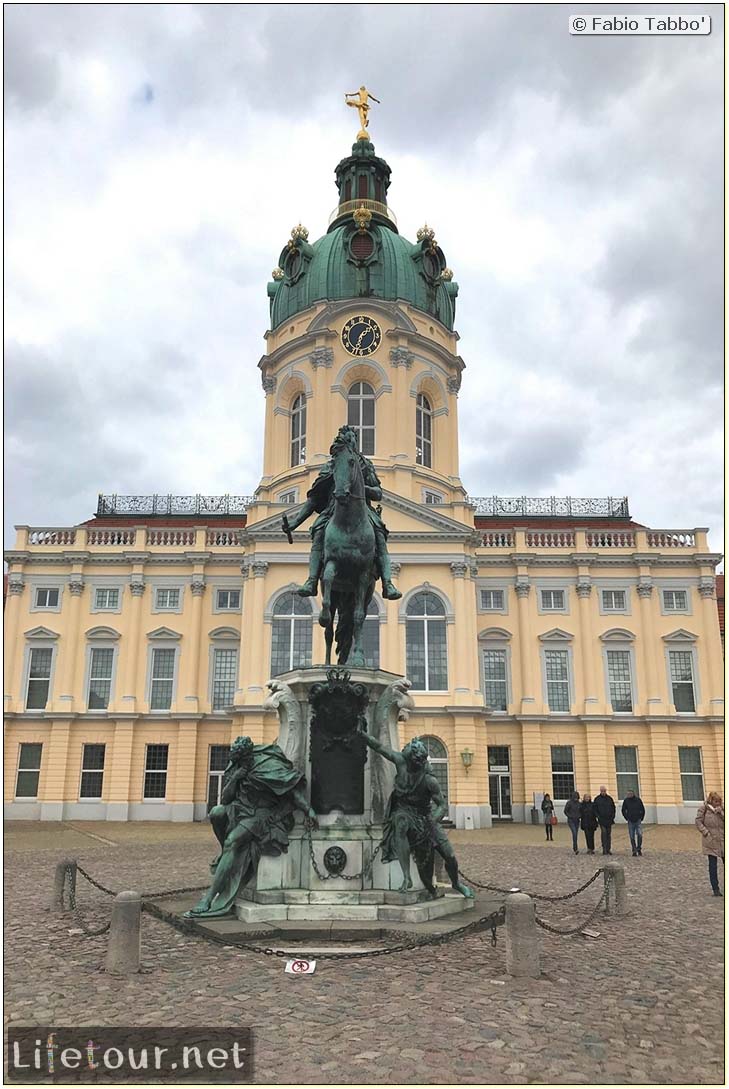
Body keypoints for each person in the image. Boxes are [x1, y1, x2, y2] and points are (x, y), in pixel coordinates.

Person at [186, 736, 317, 918]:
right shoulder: (237, 766)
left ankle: (209, 897)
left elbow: (292, 790)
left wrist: (308, 810)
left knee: (233, 840)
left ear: (247, 755)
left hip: (260, 813)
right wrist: (236, 778)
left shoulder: (267, 765)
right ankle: (226, 856)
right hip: (240, 808)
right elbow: (225, 799)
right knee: (216, 812)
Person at [282, 425, 401, 600]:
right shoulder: (331, 466)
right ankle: (312, 580)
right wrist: (294, 523)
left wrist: (360, 488)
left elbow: (378, 493)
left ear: (355, 441)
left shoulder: (365, 465)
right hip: (333, 509)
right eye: (345, 438)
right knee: (318, 530)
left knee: (379, 533)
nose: (349, 441)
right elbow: (314, 499)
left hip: (363, 510)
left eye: (351, 438)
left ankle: (387, 583)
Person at [358, 727, 473, 898]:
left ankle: (456, 883)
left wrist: (432, 822)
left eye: (406, 750)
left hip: (426, 816)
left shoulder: (429, 780)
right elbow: (379, 747)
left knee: (448, 854)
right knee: (400, 823)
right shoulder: (400, 761)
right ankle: (406, 877)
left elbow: (442, 805)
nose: (402, 750)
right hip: (404, 811)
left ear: (414, 760)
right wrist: (361, 733)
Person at [696, 792, 724, 897]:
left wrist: (721, 813)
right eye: (716, 801)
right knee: (712, 866)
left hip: (723, 840)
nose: (717, 804)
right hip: (710, 841)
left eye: (719, 802)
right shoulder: (704, 809)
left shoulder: (723, 809)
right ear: (711, 800)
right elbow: (698, 822)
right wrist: (705, 832)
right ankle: (715, 888)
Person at [621, 789, 646, 856]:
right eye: (627, 794)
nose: (628, 795)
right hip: (630, 820)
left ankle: (639, 848)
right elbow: (623, 810)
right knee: (632, 836)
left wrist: (641, 817)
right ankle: (634, 850)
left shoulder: (638, 800)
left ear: (633, 794)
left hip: (638, 820)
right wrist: (626, 817)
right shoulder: (626, 801)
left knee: (640, 834)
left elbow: (642, 809)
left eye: (630, 794)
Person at [593, 785, 617, 855]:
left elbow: (613, 808)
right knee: (604, 833)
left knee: (608, 834)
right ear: (600, 791)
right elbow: (595, 809)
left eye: (604, 791)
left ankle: (608, 849)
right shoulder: (597, 799)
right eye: (602, 791)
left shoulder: (609, 799)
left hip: (609, 819)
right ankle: (604, 849)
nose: (603, 792)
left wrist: (613, 816)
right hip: (601, 819)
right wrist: (598, 816)